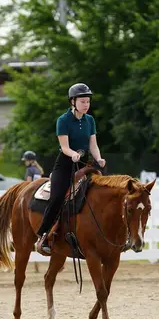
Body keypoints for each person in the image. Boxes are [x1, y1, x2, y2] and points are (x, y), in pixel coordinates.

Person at [35, 83, 106, 255]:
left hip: (85, 163)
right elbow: (64, 147)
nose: (86, 105)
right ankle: (43, 234)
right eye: (82, 101)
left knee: (101, 192)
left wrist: (99, 158)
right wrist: (73, 154)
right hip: (65, 164)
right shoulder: (63, 120)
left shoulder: (90, 120)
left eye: (88, 101)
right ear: (72, 102)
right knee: (58, 196)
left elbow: (93, 145)